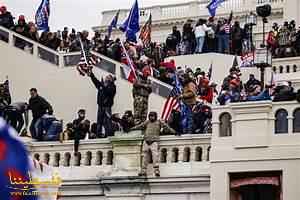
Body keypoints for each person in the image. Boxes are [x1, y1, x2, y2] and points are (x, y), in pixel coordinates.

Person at [129, 112, 176, 177]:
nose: (151, 117)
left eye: (152, 116)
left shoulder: (159, 122)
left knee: (155, 156)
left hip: (154, 141)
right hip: (146, 141)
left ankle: (156, 170)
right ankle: (143, 171)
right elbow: (140, 126)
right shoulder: (147, 122)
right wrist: (131, 129)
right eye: (150, 116)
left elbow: (166, 127)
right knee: (144, 156)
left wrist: (174, 132)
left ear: (155, 116)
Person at [88, 71, 116, 137]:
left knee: (108, 121)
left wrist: (103, 86)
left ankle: (109, 134)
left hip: (107, 107)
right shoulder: (102, 85)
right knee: (99, 122)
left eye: (108, 77)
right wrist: (92, 75)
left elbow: (109, 92)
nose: (106, 78)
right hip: (100, 106)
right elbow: (96, 82)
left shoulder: (112, 86)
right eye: (106, 77)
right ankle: (98, 134)